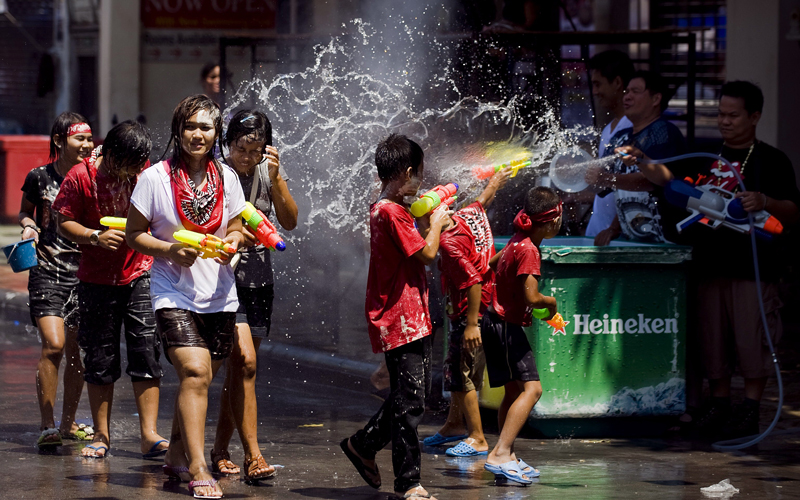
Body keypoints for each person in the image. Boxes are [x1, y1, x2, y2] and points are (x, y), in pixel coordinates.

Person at [639, 82, 800, 439]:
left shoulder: (771, 160)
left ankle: (751, 409)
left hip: (751, 270)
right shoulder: (707, 156)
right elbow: (672, 182)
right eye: (720, 114)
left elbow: (793, 212)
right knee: (712, 340)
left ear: (754, 116)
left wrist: (765, 202)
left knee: (751, 338)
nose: (724, 122)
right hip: (708, 266)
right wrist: (644, 163)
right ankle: (720, 404)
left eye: (733, 115)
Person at [127, 94, 246, 499]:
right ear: (178, 130)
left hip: (217, 292)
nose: (198, 134)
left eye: (206, 127)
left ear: (216, 134)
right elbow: (133, 235)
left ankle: (177, 453)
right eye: (191, 126)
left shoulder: (227, 177)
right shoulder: (154, 178)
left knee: (201, 379)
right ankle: (198, 465)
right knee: (195, 372)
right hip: (170, 290)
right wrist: (168, 250)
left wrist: (232, 242)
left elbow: (236, 228)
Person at [340, 134, 451, 500]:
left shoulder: (389, 209)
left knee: (409, 396)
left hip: (410, 314)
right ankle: (408, 482)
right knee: (411, 402)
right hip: (401, 316)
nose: (421, 182)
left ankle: (362, 445)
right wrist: (435, 224)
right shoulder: (391, 211)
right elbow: (427, 255)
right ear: (406, 173)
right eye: (419, 174)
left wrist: (430, 224)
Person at [52, 120, 168, 459]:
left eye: (139, 165)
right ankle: (101, 435)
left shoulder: (140, 171)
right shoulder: (81, 177)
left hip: (140, 272)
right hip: (96, 281)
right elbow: (63, 221)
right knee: (100, 358)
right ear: (112, 154)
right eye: (130, 165)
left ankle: (149, 434)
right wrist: (93, 237)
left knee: (146, 350)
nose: (135, 172)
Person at [209, 109, 297, 480]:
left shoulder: (267, 171)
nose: (247, 157)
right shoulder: (216, 173)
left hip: (260, 281)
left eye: (255, 150)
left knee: (240, 369)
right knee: (244, 362)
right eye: (241, 148)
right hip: (224, 279)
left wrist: (276, 180)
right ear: (227, 144)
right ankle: (254, 456)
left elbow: (290, 220)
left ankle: (218, 448)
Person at [421, 168, 511, 457]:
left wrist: (471, 324)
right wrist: (495, 181)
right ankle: (453, 424)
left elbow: (472, 281)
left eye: (423, 220)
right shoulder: (466, 215)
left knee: (464, 376)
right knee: (456, 371)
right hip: (482, 307)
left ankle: (477, 437)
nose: (421, 226)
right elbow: (482, 201)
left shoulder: (448, 244)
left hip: (472, 314)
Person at [20, 112, 93, 448]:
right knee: (55, 344)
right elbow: (26, 210)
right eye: (80, 138)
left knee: (78, 353)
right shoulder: (39, 177)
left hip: (85, 274)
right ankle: (47, 425)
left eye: (90, 138)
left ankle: (68, 424)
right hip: (47, 270)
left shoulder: (94, 178)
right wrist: (29, 226)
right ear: (60, 141)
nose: (88, 144)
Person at [481, 186, 562, 485]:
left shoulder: (517, 240)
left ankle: (508, 455)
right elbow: (531, 297)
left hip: (495, 322)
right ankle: (499, 453)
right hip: (506, 326)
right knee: (533, 390)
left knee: (514, 392)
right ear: (553, 221)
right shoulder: (529, 249)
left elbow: (491, 264)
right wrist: (550, 303)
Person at [586, 70, 687, 245]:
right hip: (632, 240)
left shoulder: (663, 132)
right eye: (626, 92)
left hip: (666, 242)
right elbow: (619, 191)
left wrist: (607, 178)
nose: (627, 97)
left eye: (635, 92)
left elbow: (651, 183)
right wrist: (613, 228)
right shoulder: (620, 137)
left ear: (655, 99)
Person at [584, 50, 635, 239]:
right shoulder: (608, 129)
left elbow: (637, 185)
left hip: (618, 238)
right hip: (599, 232)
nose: (595, 92)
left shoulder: (633, 128)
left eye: (598, 84)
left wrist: (615, 228)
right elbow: (607, 186)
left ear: (617, 83)